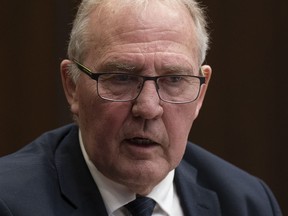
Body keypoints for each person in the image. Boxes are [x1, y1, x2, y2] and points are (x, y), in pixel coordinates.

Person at [0, 0, 282, 215]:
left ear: (200, 92)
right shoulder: (9, 201)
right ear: (72, 86)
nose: (148, 108)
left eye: (174, 79)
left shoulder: (247, 203)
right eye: (122, 78)